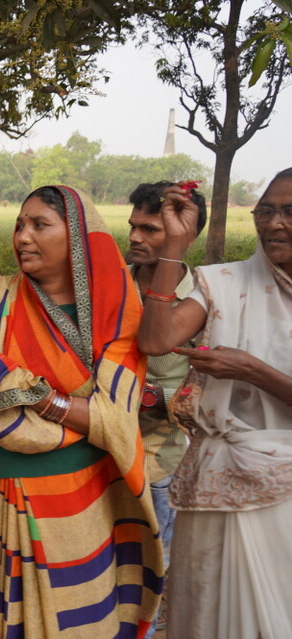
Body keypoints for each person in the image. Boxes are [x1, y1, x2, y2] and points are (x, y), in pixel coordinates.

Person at [0, 185, 163, 638]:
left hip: (81, 489)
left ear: (78, 238)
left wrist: (34, 396)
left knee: (80, 612)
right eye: (19, 226)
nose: (23, 236)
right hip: (2, 484)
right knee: (6, 610)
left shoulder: (115, 311)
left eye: (39, 225)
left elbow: (115, 416)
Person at [137, 170, 292, 639]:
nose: (274, 223)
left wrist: (252, 371)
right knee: (210, 615)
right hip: (215, 483)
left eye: (289, 212)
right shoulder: (225, 282)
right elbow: (156, 340)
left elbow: (253, 371)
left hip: (284, 499)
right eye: (266, 211)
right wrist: (174, 247)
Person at [126, 180, 206, 638]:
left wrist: (162, 396)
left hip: (160, 459)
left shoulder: (204, 298)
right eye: (133, 226)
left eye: (151, 229)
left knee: (148, 571)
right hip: (100, 451)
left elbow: (209, 384)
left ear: (183, 233)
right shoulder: (106, 286)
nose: (135, 237)